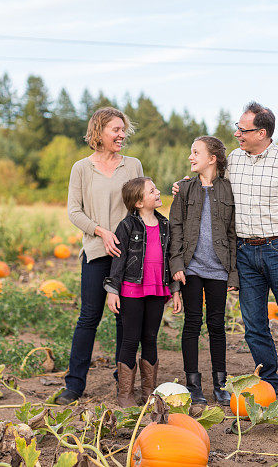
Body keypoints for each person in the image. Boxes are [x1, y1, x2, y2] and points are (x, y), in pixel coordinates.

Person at [173, 102, 278, 398]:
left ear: (262, 132)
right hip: (245, 252)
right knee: (254, 325)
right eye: (237, 128)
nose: (236, 134)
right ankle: (268, 385)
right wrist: (185, 186)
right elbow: (211, 181)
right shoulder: (234, 159)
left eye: (243, 130)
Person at [57, 107, 144, 405]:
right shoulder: (81, 168)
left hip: (128, 254)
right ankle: (74, 384)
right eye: (116, 130)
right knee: (89, 318)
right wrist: (102, 232)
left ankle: (125, 382)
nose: (122, 135)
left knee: (126, 320)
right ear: (99, 132)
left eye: (123, 130)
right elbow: (74, 211)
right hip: (96, 251)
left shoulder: (133, 165)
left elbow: (142, 204)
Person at [168, 136, 237, 405]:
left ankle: (220, 384)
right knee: (192, 323)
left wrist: (233, 272)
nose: (190, 157)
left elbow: (232, 233)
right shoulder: (184, 190)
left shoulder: (228, 190)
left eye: (196, 152)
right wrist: (176, 266)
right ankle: (193, 384)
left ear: (213, 158)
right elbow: (175, 228)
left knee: (217, 325)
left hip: (219, 268)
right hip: (192, 268)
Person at [104, 177, 182, 407]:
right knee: (130, 340)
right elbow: (119, 261)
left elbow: (170, 260)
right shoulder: (127, 226)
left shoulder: (165, 225)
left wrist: (175, 290)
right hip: (131, 289)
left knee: (150, 338)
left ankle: (149, 391)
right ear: (138, 202)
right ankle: (125, 394)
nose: (158, 192)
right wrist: (113, 290)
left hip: (157, 288)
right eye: (152, 190)